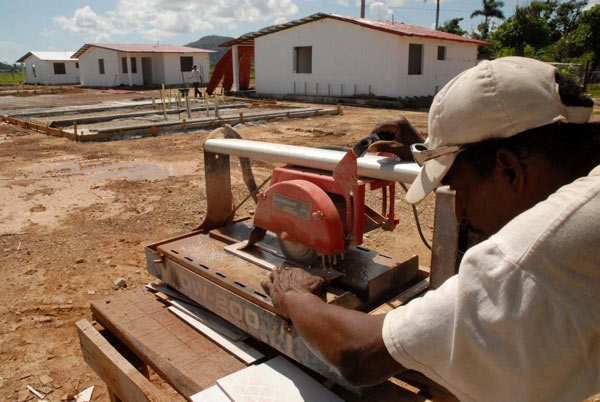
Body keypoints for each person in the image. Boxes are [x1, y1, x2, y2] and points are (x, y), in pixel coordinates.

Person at [261, 57, 600, 402]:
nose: (460, 213)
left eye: (456, 187)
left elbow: (357, 355)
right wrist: (431, 150)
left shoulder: (526, 257)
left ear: (509, 171)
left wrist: (295, 297)